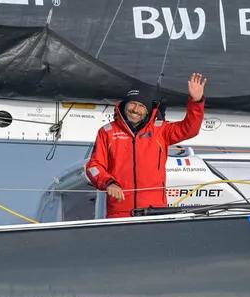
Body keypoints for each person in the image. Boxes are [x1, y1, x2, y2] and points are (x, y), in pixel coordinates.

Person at [85, 73, 207, 218]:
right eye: (133, 103)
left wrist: (196, 101)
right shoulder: (107, 132)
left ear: (148, 110)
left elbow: (190, 129)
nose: (136, 109)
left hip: (154, 211)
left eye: (142, 106)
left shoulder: (160, 130)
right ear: (124, 104)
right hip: (120, 213)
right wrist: (109, 183)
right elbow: (94, 167)